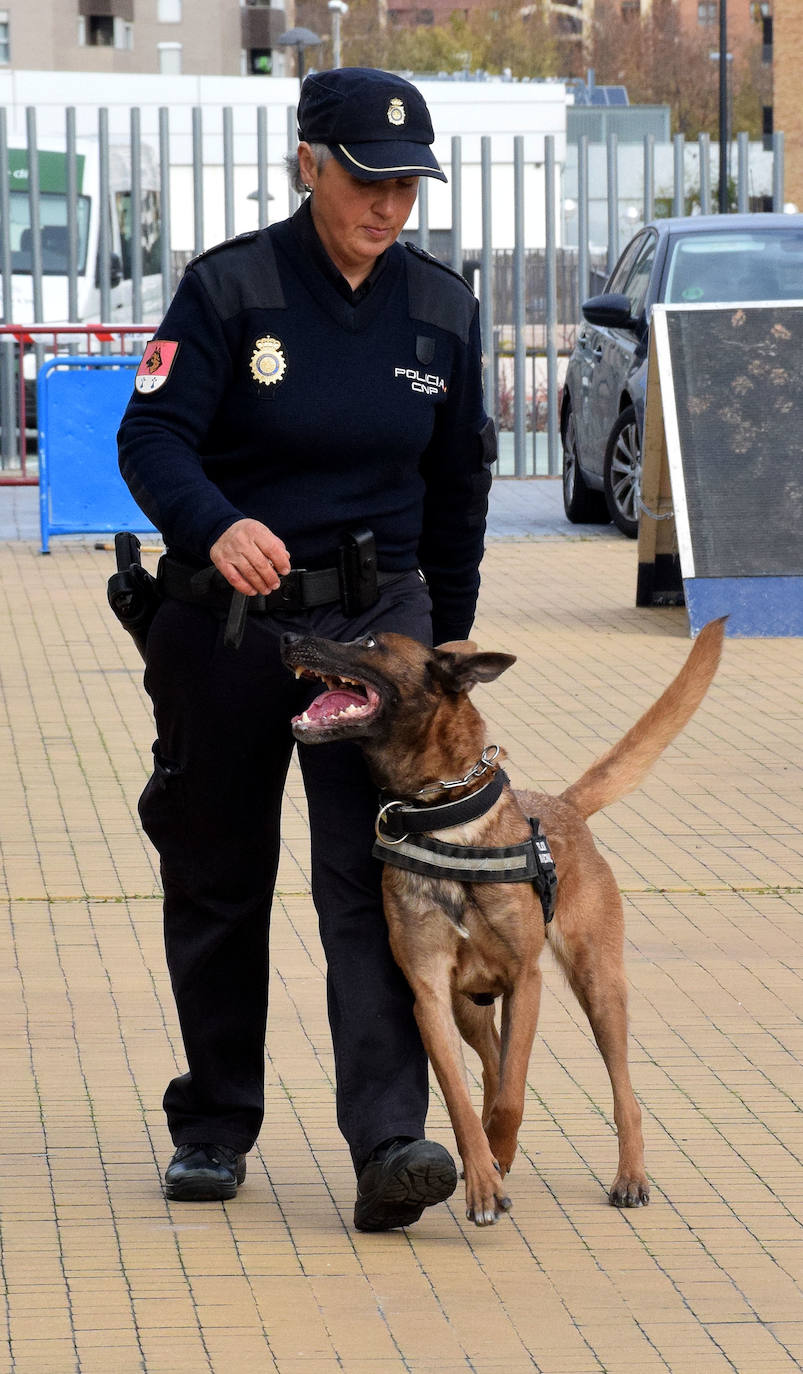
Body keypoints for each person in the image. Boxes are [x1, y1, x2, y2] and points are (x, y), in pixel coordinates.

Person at [117, 66, 496, 1231]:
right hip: (232, 624)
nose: (388, 206)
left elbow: (458, 485)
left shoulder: (438, 309)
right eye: (366, 181)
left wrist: (445, 644)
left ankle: (391, 1140)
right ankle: (213, 1127)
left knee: (373, 881)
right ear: (307, 164)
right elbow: (152, 437)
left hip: (376, 640)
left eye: (406, 187)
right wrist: (214, 522)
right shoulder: (229, 289)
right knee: (220, 875)